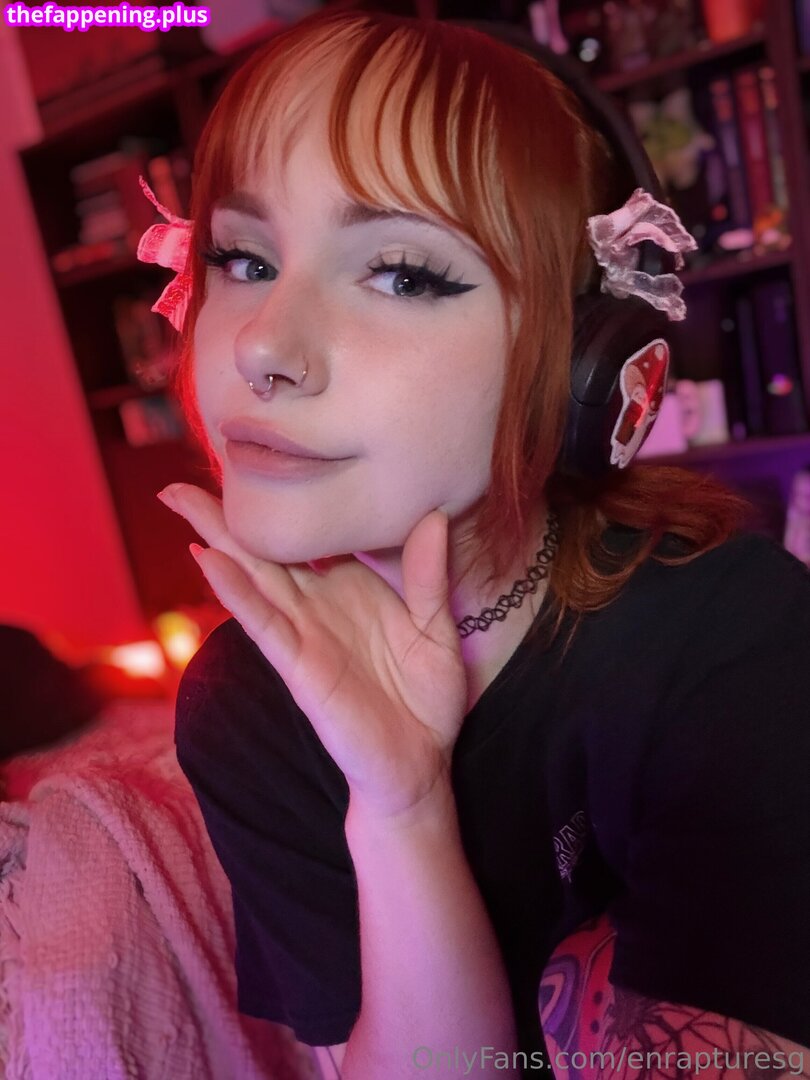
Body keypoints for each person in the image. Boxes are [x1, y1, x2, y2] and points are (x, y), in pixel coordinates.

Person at [144, 8, 810, 1077]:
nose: (262, 345)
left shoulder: (733, 632)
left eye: (402, 273)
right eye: (242, 258)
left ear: (585, 366)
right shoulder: (245, 700)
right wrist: (400, 810)